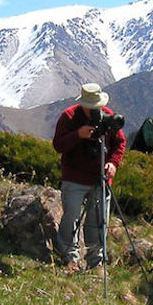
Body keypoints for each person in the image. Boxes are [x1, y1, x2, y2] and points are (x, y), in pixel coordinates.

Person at [52, 83, 126, 273]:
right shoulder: (69, 116)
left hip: (100, 178)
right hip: (74, 177)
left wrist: (113, 163)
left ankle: (96, 260)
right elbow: (58, 145)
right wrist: (78, 135)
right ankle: (70, 256)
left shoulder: (107, 116)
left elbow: (120, 143)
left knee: (98, 219)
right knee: (71, 217)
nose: (95, 110)